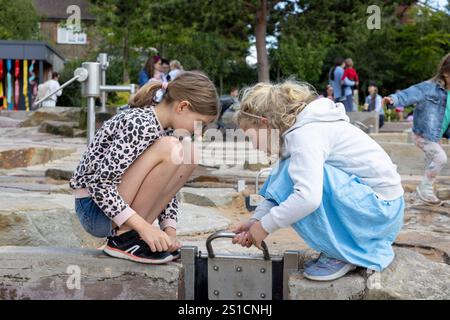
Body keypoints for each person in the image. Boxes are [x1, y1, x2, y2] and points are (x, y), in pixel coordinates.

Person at [232, 80, 404, 281]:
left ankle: (345, 252)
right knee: (287, 169)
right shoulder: (301, 131)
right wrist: (256, 220)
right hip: (378, 209)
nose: (252, 145)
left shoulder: (306, 134)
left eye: (250, 137)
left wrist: (264, 227)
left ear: (264, 123)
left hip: (377, 213)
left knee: (301, 181)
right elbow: (283, 185)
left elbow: (308, 198)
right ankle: (344, 246)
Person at [69, 71, 220, 264]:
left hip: (116, 209)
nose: (200, 132)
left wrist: (169, 232)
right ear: (182, 106)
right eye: (201, 124)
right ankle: (125, 238)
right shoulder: (139, 123)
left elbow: (165, 188)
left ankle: (131, 236)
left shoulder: (168, 130)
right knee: (171, 147)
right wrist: (145, 228)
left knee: (190, 152)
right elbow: (101, 185)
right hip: (95, 209)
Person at [382, 53, 450, 205]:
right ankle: (424, 189)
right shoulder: (429, 88)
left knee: (432, 162)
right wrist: (394, 99)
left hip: (436, 136)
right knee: (440, 158)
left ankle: (428, 189)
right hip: (422, 134)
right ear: (446, 73)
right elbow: (409, 94)